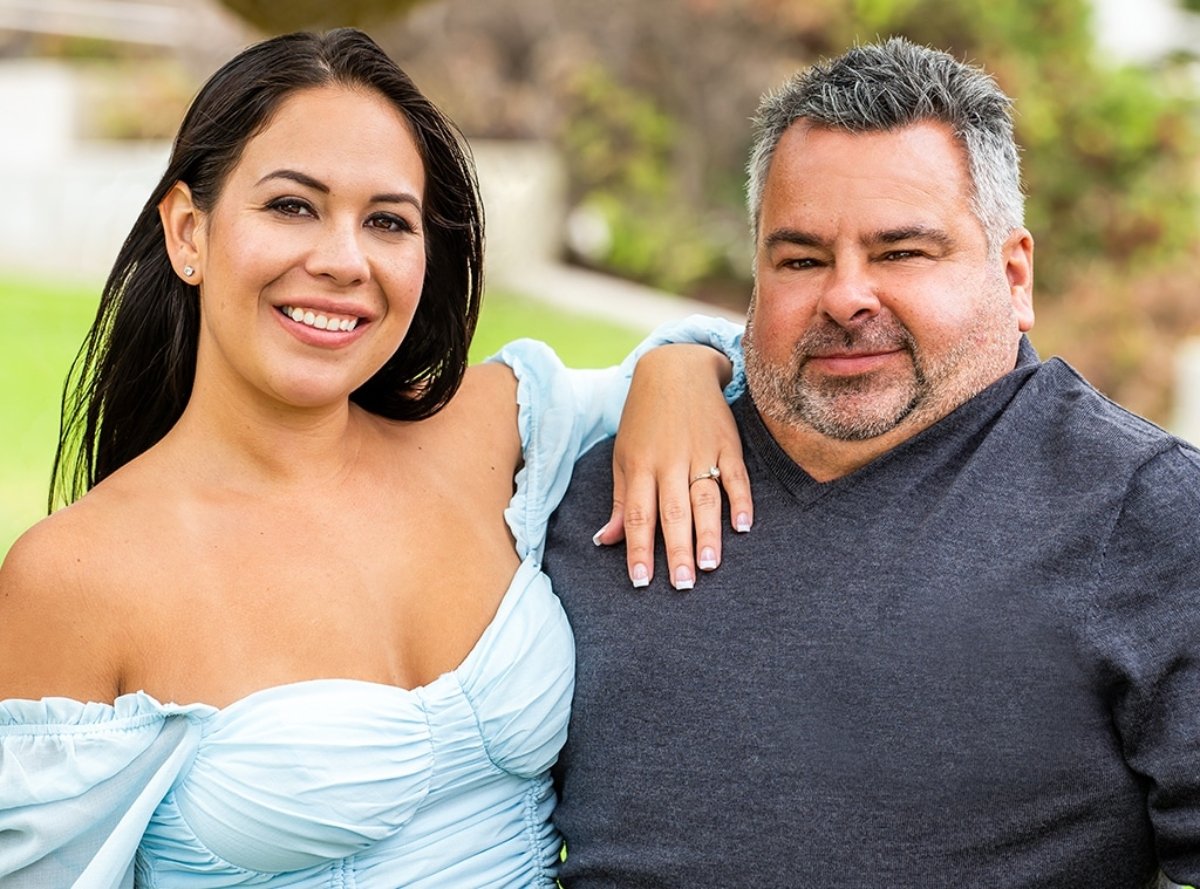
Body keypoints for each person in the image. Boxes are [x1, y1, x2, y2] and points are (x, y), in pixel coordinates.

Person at [0, 28, 752, 888]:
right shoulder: (77, 576)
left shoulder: (496, 428)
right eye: (292, 206)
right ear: (188, 234)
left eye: (387, 221)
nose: (343, 261)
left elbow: (760, 364)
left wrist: (679, 366)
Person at [545, 36, 1200, 887]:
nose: (846, 295)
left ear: (1014, 274)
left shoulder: (1144, 514)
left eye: (900, 252)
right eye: (801, 259)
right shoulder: (609, 491)